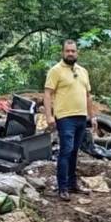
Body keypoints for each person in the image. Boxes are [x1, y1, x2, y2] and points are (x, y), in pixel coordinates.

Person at [44, 40, 98, 202]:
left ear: (77, 53)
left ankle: (72, 183)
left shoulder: (83, 71)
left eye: (73, 51)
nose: (70, 54)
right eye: (67, 51)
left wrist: (92, 116)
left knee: (75, 151)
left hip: (81, 117)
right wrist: (49, 116)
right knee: (66, 150)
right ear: (63, 52)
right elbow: (47, 94)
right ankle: (63, 187)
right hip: (65, 117)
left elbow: (87, 95)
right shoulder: (56, 71)